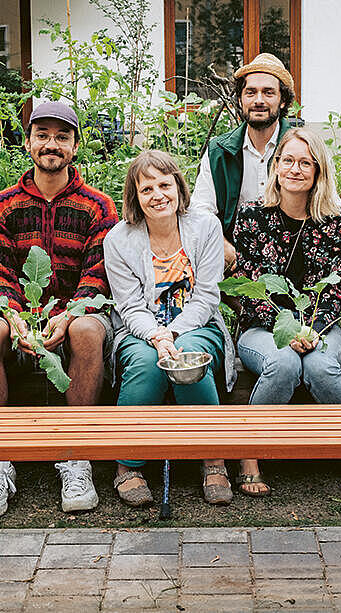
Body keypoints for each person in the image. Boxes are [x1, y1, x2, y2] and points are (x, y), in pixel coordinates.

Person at [0, 100, 119, 517]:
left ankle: (76, 456)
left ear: (75, 146)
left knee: (87, 331)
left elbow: (97, 274)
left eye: (62, 137)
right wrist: (16, 317)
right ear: (28, 141)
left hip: (79, 313)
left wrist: (68, 314)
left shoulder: (98, 206)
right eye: (43, 136)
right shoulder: (3, 205)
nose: (51, 145)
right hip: (20, 316)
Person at [103, 150, 237, 507]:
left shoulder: (205, 227)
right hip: (139, 329)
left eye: (165, 184)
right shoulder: (118, 240)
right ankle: (127, 465)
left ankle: (212, 459)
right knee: (147, 363)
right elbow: (129, 305)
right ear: (135, 196)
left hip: (197, 323)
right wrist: (155, 336)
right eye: (146, 189)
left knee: (190, 358)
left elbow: (207, 297)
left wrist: (172, 334)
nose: (157, 195)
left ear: (179, 187)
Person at [231, 128, 341, 497]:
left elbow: (335, 286)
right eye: (288, 160)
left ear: (318, 171)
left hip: (322, 327)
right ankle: (249, 457)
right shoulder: (253, 216)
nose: (295, 169)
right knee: (284, 362)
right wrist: (289, 333)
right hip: (262, 329)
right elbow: (247, 284)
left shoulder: (333, 220)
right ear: (276, 166)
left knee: (319, 365)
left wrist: (312, 330)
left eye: (305, 163)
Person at [192, 53, 296, 270]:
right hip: (232, 262)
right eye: (250, 92)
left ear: (283, 100)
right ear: (240, 99)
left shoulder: (303, 149)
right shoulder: (218, 151)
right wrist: (223, 248)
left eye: (268, 92)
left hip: (291, 261)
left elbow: (328, 206)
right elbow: (200, 212)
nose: (259, 100)